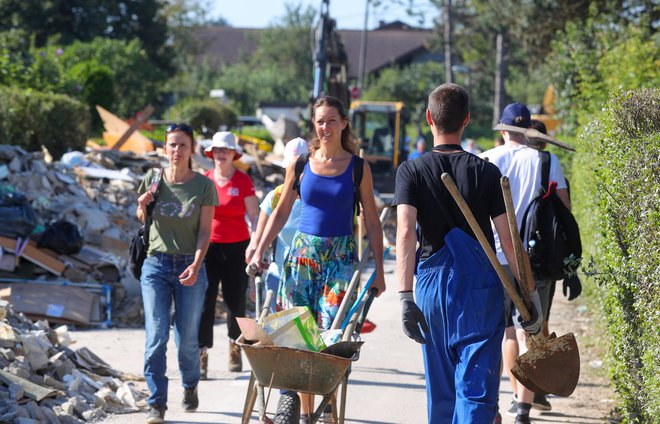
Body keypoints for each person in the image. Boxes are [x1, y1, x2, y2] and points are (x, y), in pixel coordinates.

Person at [392, 84, 543, 424]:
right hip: (479, 291)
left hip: (431, 290)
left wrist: (405, 297)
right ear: (467, 120)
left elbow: (404, 234)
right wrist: (529, 294)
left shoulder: (411, 171)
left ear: (429, 118)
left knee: (441, 391)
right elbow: (509, 241)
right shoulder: (486, 172)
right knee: (475, 391)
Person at [246, 95, 386, 420]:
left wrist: (379, 271)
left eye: (331, 121)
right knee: (296, 336)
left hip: (338, 259)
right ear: (314, 124)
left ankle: (324, 403)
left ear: (344, 123)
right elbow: (280, 214)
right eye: (320, 121)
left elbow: (374, 224)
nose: (325, 127)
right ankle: (302, 411)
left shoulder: (357, 168)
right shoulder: (300, 164)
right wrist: (260, 251)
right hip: (301, 259)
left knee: (328, 338)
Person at [481, 104, 571, 423]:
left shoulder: (487, 159)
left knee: (504, 332)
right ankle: (523, 408)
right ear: (529, 131)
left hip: (493, 258)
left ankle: (507, 399)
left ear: (503, 130)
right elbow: (564, 210)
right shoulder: (548, 161)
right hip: (533, 260)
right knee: (529, 332)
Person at [136, 123, 218, 424]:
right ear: (164, 148)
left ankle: (190, 384)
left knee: (186, 340)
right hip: (155, 264)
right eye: (172, 144)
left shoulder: (204, 186)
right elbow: (143, 218)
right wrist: (141, 205)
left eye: (182, 145)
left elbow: (206, 231)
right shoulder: (153, 179)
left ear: (191, 149)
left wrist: (196, 265)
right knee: (156, 335)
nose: (176, 150)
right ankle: (156, 403)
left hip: (190, 265)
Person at [199, 131, 259, 375]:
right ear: (211, 154)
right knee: (205, 302)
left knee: (236, 303)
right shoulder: (205, 180)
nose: (221, 154)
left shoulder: (243, 181)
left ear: (234, 154)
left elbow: (254, 217)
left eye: (226, 150)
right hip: (210, 247)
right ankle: (201, 352)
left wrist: (256, 246)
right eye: (217, 150)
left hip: (237, 247)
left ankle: (235, 347)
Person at [246, 137, 309, 313]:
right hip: (279, 276)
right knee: (281, 336)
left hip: (311, 279)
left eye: (302, 170)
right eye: (294, 169)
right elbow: (256, 243)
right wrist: (253, 284)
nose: (297, 175)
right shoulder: (275, 197)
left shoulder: (316, 199)